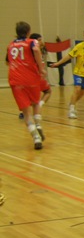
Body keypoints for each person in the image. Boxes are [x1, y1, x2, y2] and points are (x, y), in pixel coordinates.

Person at [6, 21, 47, 149]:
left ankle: (35, 137)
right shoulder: (32, 42)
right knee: (35, 103)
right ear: (29, 32)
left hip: (15, 80)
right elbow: (36, 50)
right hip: (31, 78)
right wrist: (41, 68)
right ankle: (38, 124)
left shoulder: (10, 45)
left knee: (26, 113)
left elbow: (7, 62)